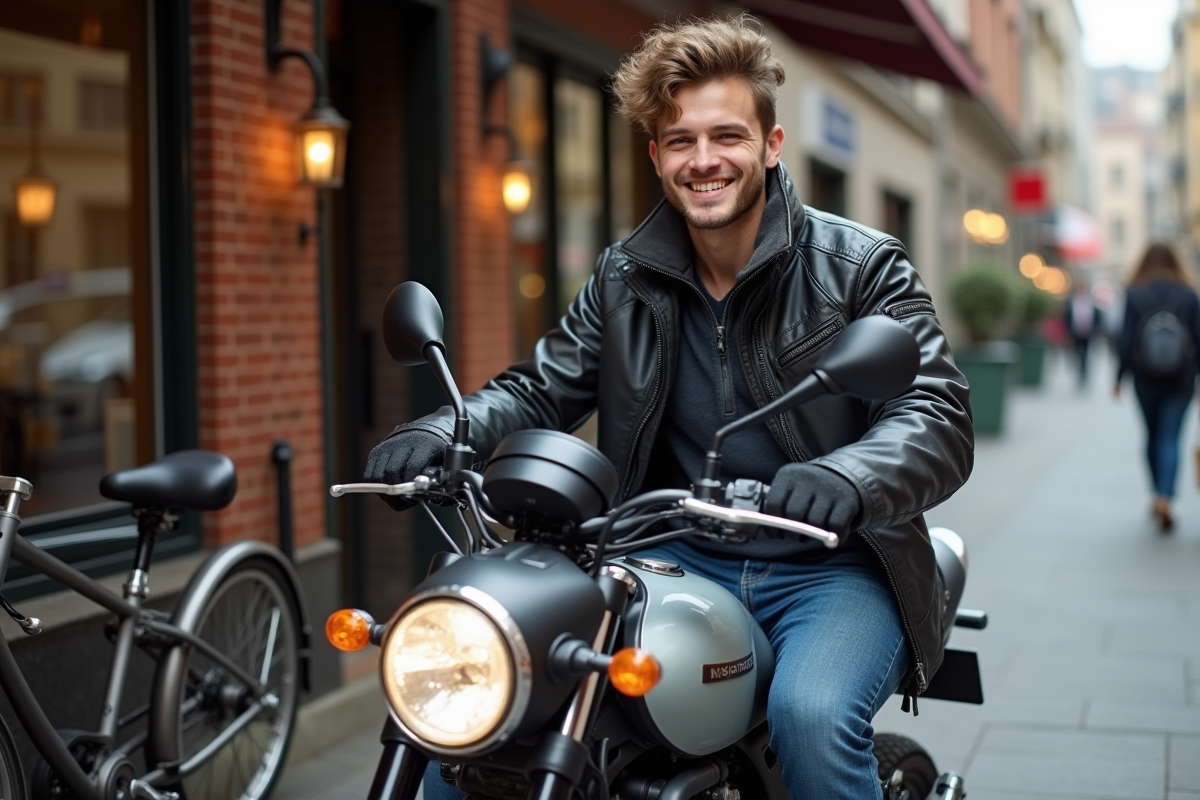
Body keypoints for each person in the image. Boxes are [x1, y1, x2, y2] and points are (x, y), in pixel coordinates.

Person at [366, 14, 973, 799]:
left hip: (832, 564)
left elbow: (936, 411)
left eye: (727, 135)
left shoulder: (859, 266)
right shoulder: (625, 277)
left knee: (811, 716)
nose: (704, 160)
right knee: (491, 700)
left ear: (772, 144)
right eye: (681, 141)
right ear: (656, 156)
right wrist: (447, 427)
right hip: (667, 556)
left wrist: (849, 476)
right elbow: (539, 387)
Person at [1114, 242, 1200, 532]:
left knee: (1151, 435)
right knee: (1171, 436)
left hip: (1145, 377)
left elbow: (1125, 339)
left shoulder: (1135, 294)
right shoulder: (1188, 295)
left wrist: (1118, 377)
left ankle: (1156, 493)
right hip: (1182, 379)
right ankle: (1166, 496)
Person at [1064, 279, 1102, 387]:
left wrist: (1095, 329)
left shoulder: (1090, 301)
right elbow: (1067, 317)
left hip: (1087, 333)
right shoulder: (1072, 301)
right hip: (1075, 332)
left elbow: (1096, 317)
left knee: (1085, 354)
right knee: (1076, 353)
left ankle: (1084, 373)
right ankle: (1080, 370)